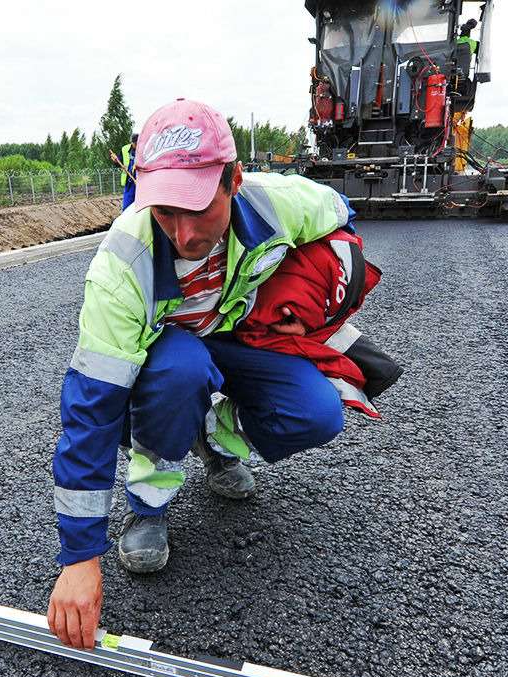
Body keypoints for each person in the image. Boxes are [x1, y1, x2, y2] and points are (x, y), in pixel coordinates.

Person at [47, 98, 362, 649]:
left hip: (238, 337)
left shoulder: (279, 203)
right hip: (171, 360)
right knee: (181, 371)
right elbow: (91, 412)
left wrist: (317, 295)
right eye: (166, 212)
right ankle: (147, 508)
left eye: (198, 209)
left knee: (318, 413)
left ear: (233, 180)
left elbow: (341, 218)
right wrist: (79, 558)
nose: (184, 234)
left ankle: (212, 436)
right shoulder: (121, 266)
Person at [119, 133, 138, 210]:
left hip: (140, 181)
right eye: (134, 143)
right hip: (129, 182)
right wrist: (116, 162)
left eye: (137, 143)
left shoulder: (143, 149)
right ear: (132, 142)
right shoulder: (125, 149)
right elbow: (119, 160)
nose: (136, 145)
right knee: (127, 205)